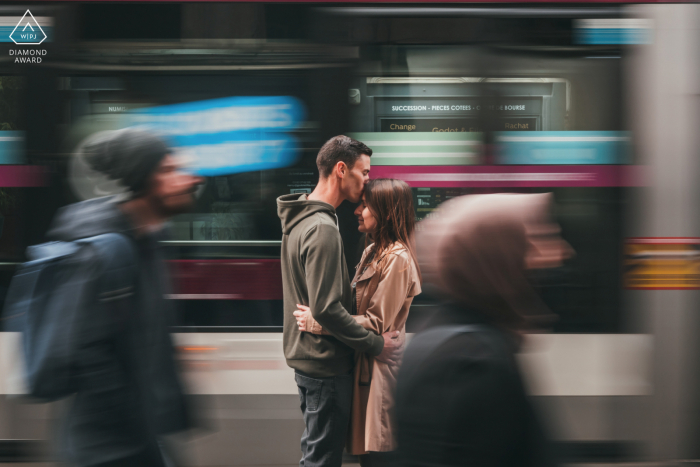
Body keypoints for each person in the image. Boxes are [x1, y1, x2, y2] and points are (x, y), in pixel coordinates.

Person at [47, 128, 202, 467]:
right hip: (106, 449)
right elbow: (80, 351)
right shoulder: (104, 252)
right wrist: (132, 422)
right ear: (140, 181)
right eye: (167, 171)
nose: (187, 180)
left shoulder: (148, 242)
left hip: (141, 439)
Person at [395, 193, 573, 467]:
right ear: (498, 262)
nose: (560, 253)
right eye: (533, 243)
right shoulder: (476, 360)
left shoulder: (441, 334)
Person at [276, 136, 403, 467]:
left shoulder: (300, 218)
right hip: (326, 364)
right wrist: (376, 344)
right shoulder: (322, 227)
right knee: (321, 460)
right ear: (341, 169)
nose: (367, 182)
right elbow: (328, 309)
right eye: (365, 172)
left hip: (309, 360)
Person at [294, 178, 422, 467]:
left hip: (379, 378)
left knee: (379, 457)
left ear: (386, 213)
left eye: (365, 206)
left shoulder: (398, 259)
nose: (356, 211)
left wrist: (317, 321)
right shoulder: (372, 252)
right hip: (365, 371)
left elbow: (376, 324)